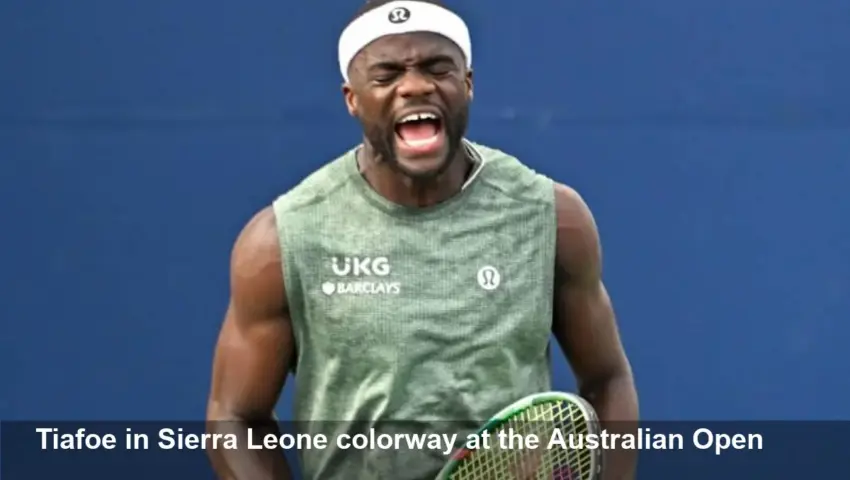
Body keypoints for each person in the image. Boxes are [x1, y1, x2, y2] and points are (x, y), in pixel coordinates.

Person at [206, 0, 638, 478]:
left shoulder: (552, 216)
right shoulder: (282, 239)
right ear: (351, 98)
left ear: (467, 84)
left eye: (438, 67)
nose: (414, 86)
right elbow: (235, 418)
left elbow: (607, 380)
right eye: (387, 74)